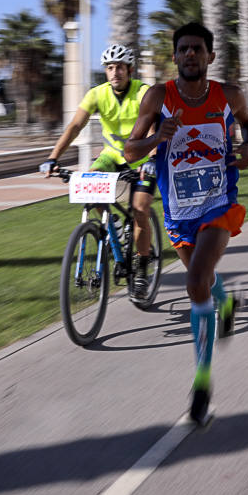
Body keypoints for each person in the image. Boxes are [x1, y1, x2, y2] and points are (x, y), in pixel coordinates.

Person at [124, 22, 248, 424]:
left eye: (197, 49)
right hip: (178, 210)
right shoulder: (157, 97)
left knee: (195, 281)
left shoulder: (227, 95)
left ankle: (201, 382)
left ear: (210, 56)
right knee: (202, 280)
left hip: (217, 203)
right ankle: (227, 302)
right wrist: (156, 138)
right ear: (175, 55)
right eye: (183, 49)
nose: (190, 55)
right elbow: (131, 151)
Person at [40, 43, 157, 301]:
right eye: (110, 68)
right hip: (111, 156)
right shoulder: (96, 94)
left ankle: (140, 271)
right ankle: (112, 223)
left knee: (140, 209)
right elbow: (74, 126)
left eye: (120, 67)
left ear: (130, 69)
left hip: (142, 161)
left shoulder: (143, 92)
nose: (115, 72)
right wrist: (52, 158)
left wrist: (152, 159)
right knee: (86, 187)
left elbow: (152, 127)